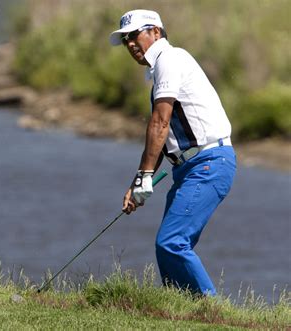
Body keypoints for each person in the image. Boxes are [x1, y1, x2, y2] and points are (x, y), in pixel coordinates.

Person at [110, 9, 236, 296]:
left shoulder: (170, 59)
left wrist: (144, 176)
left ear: (156, 31)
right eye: (125, 39)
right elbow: (163, 137)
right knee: (169, 247)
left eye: (135, 35)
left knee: (172, 242)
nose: (130, 44)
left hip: (209, 163)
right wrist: (138, 182)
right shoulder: (160, 71)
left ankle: (211, 312)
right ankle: (177, 310)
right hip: (190, 168)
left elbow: (159, 123)